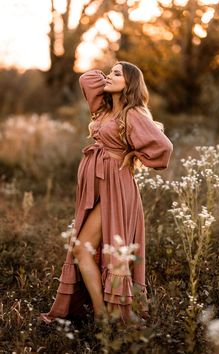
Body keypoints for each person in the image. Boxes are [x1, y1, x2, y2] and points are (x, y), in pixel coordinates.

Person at [41, 61, 173, 325]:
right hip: (95, 186)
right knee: (82, 250)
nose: (109, 76)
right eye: (110, 72)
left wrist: (134, 154)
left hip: (116, 187)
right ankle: (102, 313)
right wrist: (111, 80)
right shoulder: (104, 108)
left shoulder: (132, 114)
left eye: (117, 74)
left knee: (84, 248)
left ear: (129, 83)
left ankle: (108, 316)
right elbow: (87, 79)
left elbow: (164, 148)